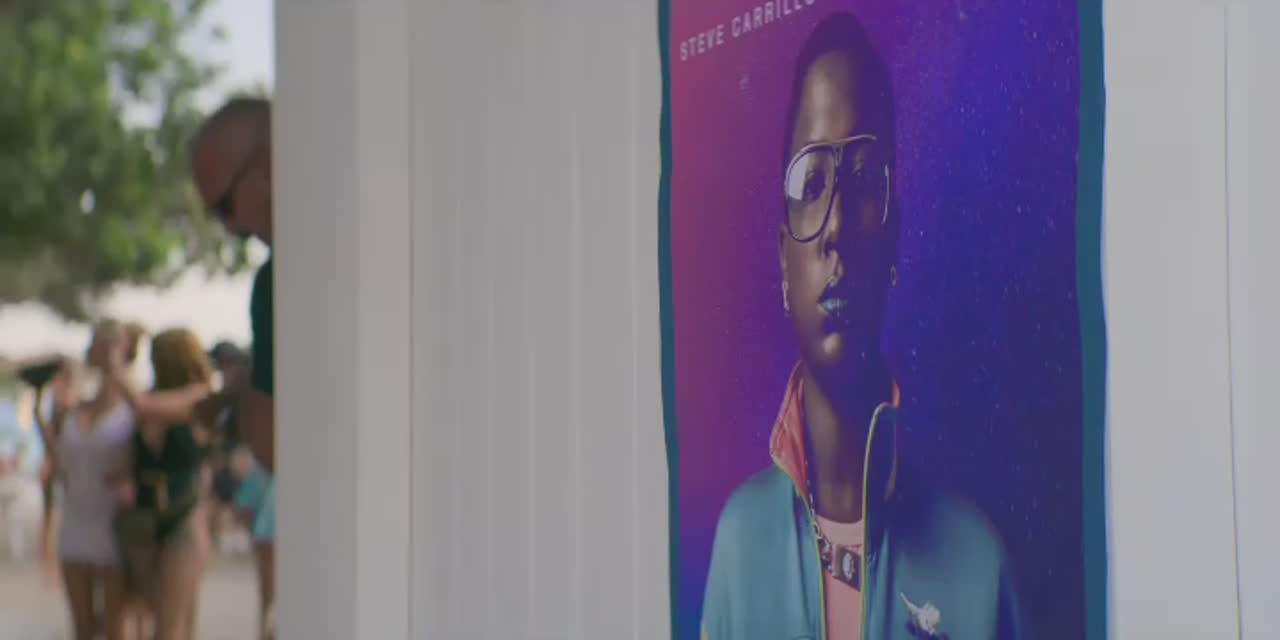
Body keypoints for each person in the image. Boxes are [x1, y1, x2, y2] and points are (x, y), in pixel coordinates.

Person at [699, 13, 1022, 640]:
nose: (838, 226)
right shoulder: (741, 545)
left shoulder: (978, 568)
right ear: (784, 261)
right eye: (811, 181)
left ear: (893, 237)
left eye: (864, 176)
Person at [190, 96, 276, 639]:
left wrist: (240, 398)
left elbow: (272, 442)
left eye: (224, 207)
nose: (229, 227)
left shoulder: (278, 283)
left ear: (269, 164)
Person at [33, 320, 145, 640]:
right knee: (81, 627)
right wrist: (41, 414)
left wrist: (117, 368)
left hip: (114, 528)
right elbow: (61, 464)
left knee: (115, 627)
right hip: (75, 524)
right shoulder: (75, 410)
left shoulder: (133, 408)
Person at [107, 328, 215, 640]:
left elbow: (142, 406)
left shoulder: (199, 396)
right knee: (152, 615)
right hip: (142, 515)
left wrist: (116, 359)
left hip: (182, 515)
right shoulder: (152, 397)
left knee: (169, 627)